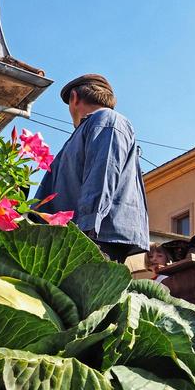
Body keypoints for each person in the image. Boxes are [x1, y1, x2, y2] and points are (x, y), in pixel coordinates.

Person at [34, 74, 149, 263]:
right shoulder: (91, 128)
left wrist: (86, 231)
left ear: (74, 98)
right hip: (77, 236)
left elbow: (102, 175)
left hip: (94, 237)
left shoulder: (106, 120)